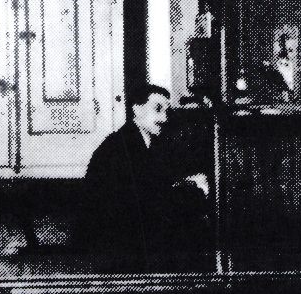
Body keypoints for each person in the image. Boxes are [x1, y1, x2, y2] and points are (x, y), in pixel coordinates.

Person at [81, 81, 210, 264]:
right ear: (137, 109)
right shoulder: (117, 149)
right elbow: (150, 202)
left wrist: (186, 183)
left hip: (131, 239)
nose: (164, 118)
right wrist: (194, 190)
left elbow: (157, 186)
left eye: (166, 111)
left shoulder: (144, 142)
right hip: (117, 249)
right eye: (158, 109)